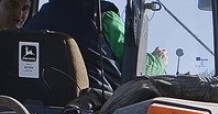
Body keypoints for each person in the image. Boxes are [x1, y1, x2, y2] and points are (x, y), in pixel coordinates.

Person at [24, 0, 167, 91]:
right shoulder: (106, 17)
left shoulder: (35, 22)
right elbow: (134, 65)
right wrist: (158, 61)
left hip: (37, 107)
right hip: (98, 106)